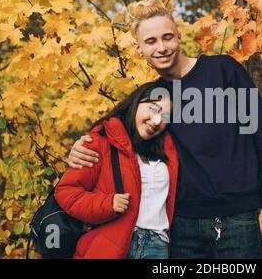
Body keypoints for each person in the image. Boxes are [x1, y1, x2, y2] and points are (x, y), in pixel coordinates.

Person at [67, 0, 262, 259]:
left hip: (239, 219)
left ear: (179, 37)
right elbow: (112, 133)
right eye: (151, 41)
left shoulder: (224, 71)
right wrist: (81, 147)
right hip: (182, 226)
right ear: (139, 48)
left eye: (167, 37)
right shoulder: (152, 98)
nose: (161, 47)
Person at [54, 81, 179, 259]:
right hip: (109, 244)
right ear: (136, 102)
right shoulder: (101, 142)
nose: (157, 120)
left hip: (157, 247)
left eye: (165, 116)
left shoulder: (168, 153)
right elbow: (66, 192)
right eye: (153, 109)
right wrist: (107, 204)